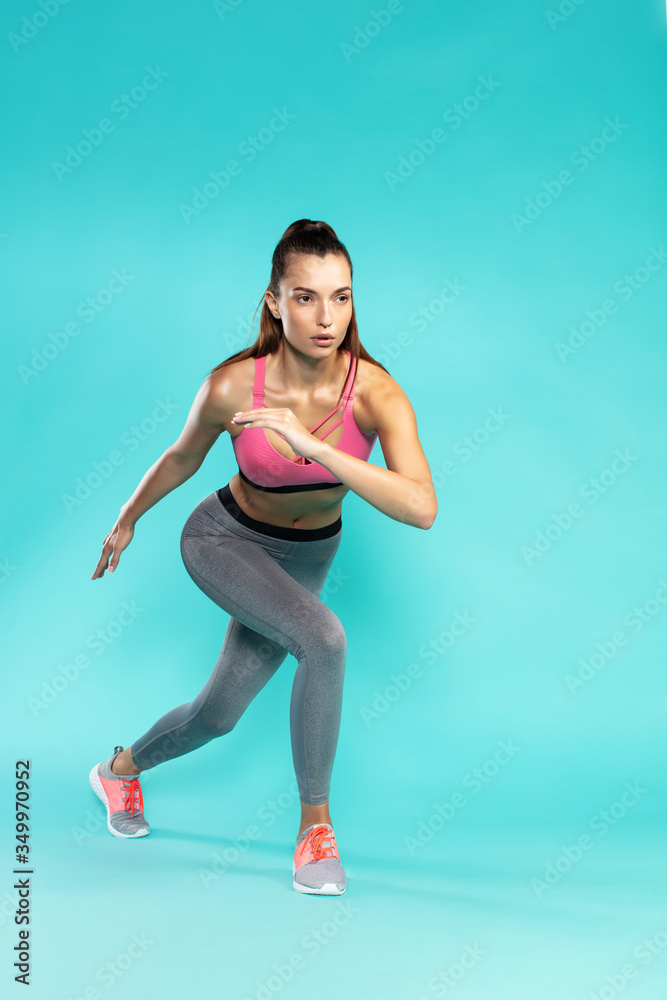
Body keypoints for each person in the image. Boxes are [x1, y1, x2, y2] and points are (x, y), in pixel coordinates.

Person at [88, 219, 437, 895]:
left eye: (341, 297)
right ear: (274, 302)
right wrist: (127, 520)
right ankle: (315, 832)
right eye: (305, 297)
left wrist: (318, 448)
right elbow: (181, 458)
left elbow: (420, 507)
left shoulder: (374, 392)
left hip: (308, 555)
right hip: (223, 540)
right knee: (325, 639)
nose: (325, 315)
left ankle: (118, 772)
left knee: (218, 715)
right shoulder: (231, 386)